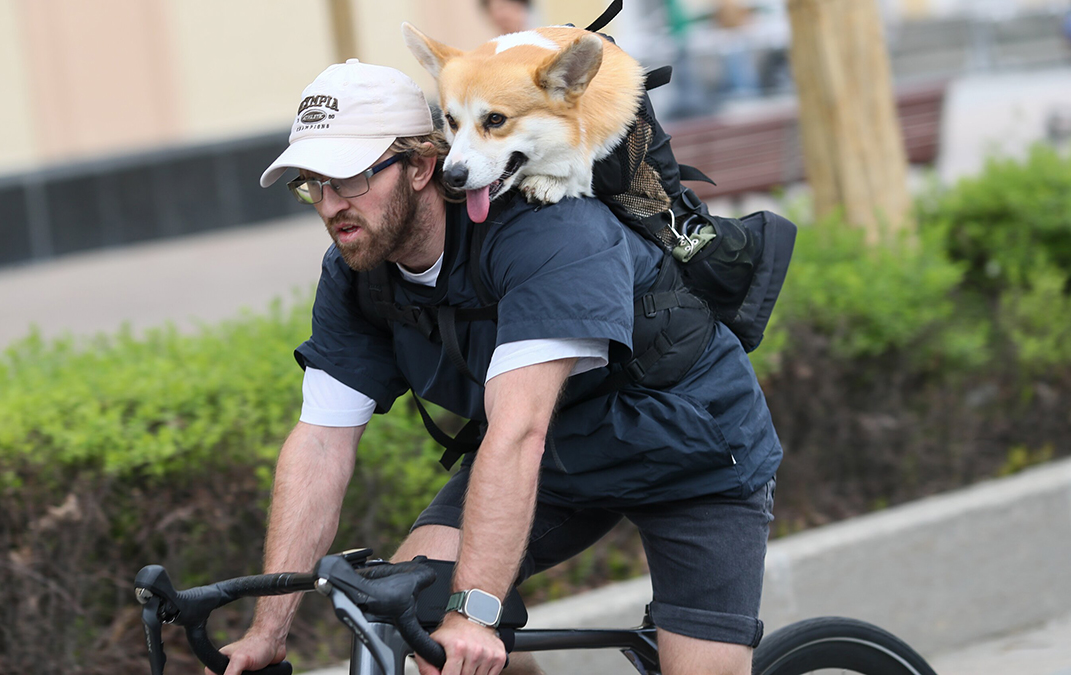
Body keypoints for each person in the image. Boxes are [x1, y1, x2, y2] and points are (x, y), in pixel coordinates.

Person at [217, 58, 781, 675]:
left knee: (471, 626)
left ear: (421, 166)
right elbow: (321, 444)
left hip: (689, 456)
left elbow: (516, 431)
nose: (330, 206)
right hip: (561, 461)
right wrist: (268, 630)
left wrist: (477, 613)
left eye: (349, 180)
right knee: (422, 632)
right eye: (312, 184)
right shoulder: (358, 272)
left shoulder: (547, 234)